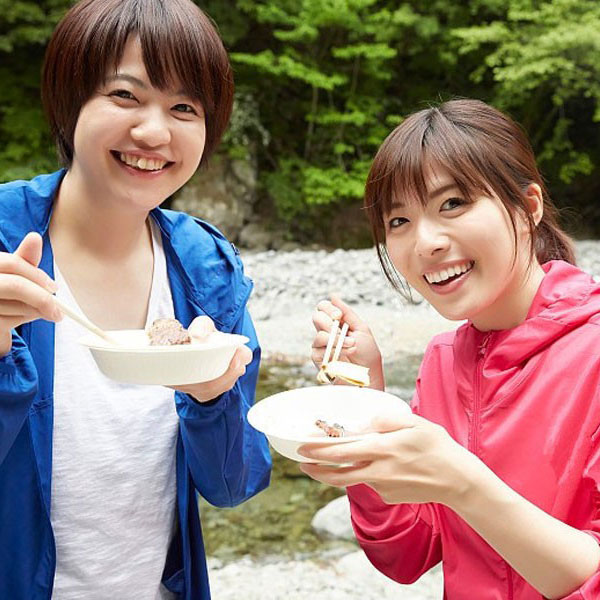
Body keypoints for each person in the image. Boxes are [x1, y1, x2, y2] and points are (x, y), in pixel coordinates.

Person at [0, 1, 271, 598]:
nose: (154, 132)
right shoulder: (5, 242)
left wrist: (213, 397)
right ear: (70, 102)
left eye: (184, 108)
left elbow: (234, 484)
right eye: (125, 95)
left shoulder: (205, 268)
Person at [303, 99, 600, 599]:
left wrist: (464, 484)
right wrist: (365, 403)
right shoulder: (443, 361)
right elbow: (407, 554)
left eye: (453, 204)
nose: (426, 243)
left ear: (528, 207)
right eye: (399, 221)